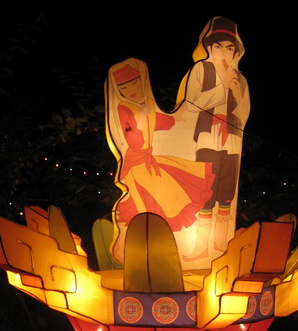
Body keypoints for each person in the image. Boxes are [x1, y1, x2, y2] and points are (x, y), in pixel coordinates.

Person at [106, 58, 214, 263]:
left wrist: (177, 119)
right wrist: (141, 124)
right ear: (118, 89)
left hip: (150, 160)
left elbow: (161, 121)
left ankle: (160, 251)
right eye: (124, 86)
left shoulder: (145, 105)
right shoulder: (125, 108)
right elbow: (132, 136)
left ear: (142, 80)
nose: (131, 89)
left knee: (168, 198)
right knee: (147, 204)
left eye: (134, 82)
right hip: (136, 165)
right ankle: (128, 248)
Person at [181, 17, 250, 261]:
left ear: (236, 50)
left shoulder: (239, 78)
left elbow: (243, 114)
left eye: (229, 48)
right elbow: (192, 105)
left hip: (231, 140)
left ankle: (221, 246)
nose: (224, 52)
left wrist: (235, 90)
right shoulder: (201, 69)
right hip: (207, 137)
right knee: (205, 192)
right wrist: (222, 87)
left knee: (226, 192)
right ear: (209, 47)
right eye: (218, 46)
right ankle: (200, 247)